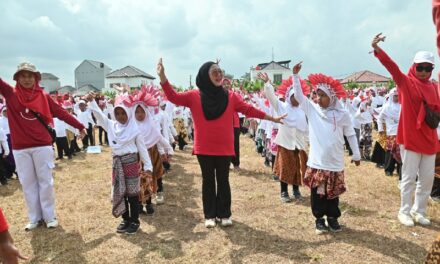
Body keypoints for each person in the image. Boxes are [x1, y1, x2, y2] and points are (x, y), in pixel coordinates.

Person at [157, 58, 285, 228]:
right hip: (204, 148)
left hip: (224, 148)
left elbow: (248, 109)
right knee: (208, 181)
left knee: (223, 181)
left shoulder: (230, 96)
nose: (219, 75)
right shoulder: (193, 96)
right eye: (214, 72)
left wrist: (271, 118)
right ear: (204, 75)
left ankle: (224, 214)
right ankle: (209, 215)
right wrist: (163, 76)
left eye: (220, 72)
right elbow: (173, 97)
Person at [0, 62, 86, 230]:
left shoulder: (43, 96)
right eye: (23, 76)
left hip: (42, 145)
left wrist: (80, 126)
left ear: (36, 78)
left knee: (45, 182)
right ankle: (34, 218)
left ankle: (49, 216)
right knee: (27, 183)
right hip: (20, 148)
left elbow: (61, 112)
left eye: (30, 76)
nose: (26, 79)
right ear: (17, 78)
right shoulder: (11, 94)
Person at [372, 33, 440, 226]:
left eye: (428, 68)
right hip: (410, 137)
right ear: (414, 66)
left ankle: (419, 210)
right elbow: (392, 67)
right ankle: (404, 211)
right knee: (409, 178)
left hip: (429, 138)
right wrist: (378, 49)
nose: (424, 71)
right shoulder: (406, 83)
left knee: (426, 180)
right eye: (420, 67)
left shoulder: (434, 87)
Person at [291, 62, 361, 234]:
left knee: (333, 192)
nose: (318, 98)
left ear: (332, 97)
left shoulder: (342, 114)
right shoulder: (313, 110)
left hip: (335, 161)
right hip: (317, 162)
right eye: (317, 94)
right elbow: (300, 97)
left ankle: (333, 218)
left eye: (322, 95)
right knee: (318, 192)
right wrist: (295, 76)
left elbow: (350, 134)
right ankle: (319, 220)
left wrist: (356, 154)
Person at [86, 92, 152, 235]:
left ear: (129, 114)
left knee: (132, 194)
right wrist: (92, 103)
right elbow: (99, 115)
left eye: (123, 113)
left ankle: (135, 220)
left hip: (131, 164)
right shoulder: (111, 126)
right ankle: (125, 218)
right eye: (118, 113)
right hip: (117, 164)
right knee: (120, 192)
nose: (121, 116)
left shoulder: (135, 130)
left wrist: (148, 167)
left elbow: (142, 149)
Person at [259, 73, 309, 202]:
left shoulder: (302, 110)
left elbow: (305, 128)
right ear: (288, 97)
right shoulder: (282, 107)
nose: (297, 99)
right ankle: (284, 192)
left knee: (297, 168)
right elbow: (272, 97)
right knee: (285, 168)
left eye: (298, 97)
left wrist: (307, 142)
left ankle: (296, 190)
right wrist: (267, 84)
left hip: (298, 144)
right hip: (286, 143)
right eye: (294, 97)